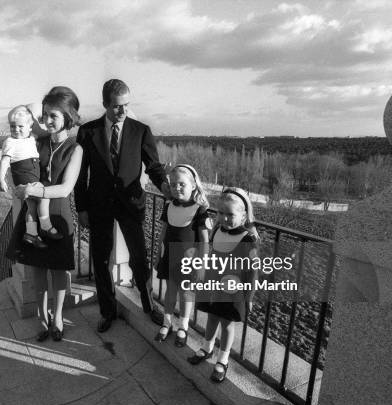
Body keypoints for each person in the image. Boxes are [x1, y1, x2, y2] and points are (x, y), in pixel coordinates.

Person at [74, 79, 169, 333]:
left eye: (127, 105)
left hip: (130, 204)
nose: (123, 111)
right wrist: (81, 208)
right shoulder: (87, 132)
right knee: (101, 259)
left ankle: (149, 306)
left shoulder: (141, 131)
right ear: (105, 104)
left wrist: (166, 186)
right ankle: (108, 311)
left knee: (139, 258)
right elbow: (80, 175)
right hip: (99, 206)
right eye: (117, 106)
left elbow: (154, 166)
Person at [6, 86, 83, 342]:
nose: (47, 121)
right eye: (46, 115)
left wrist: (37, 189)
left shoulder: (76, 150)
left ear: (68, 118)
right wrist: (20, 187)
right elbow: (20, 161)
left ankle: (58, 317)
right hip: (34, 216)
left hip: (58, 215)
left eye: (54, 116)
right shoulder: (36, 141)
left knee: (59, 272)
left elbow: (66, 188)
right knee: (38, 271)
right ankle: (42, 317)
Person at [188, 187, 259, 383]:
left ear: (243, 215)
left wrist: (249, 297)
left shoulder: (248, 239)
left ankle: (223, 359)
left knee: (227, 323)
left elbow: (253, 271)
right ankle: (207, 347)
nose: (224, 218)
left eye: (230, 214)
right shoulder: (217, 230)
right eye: (221, 213)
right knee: (211, 316)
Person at [154, 164, 210, 347]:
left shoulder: (199, 209)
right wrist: (157, 254)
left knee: (186, 293)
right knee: (170, 291)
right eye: (173, 185)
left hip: (189, 260)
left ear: (193, 185)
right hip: (170, 256)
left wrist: (202, 265)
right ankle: (167, 322)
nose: (176, 188)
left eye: (181, 184)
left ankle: (183, 326)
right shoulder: (169, 206)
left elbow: (204, 241)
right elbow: (163, 232)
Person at [0, 105, 62, 249]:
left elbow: (44, 135)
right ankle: (46, 226)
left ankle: (31, 233)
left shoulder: (30, 139)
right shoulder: (10, 142)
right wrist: (1, 179)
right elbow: (4, 161)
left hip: (30, 175)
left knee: (31, 207)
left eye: (20, 126)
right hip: (23, 175)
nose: (16, 130)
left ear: (30, 126)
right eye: (12, 126)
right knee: (44, 195)